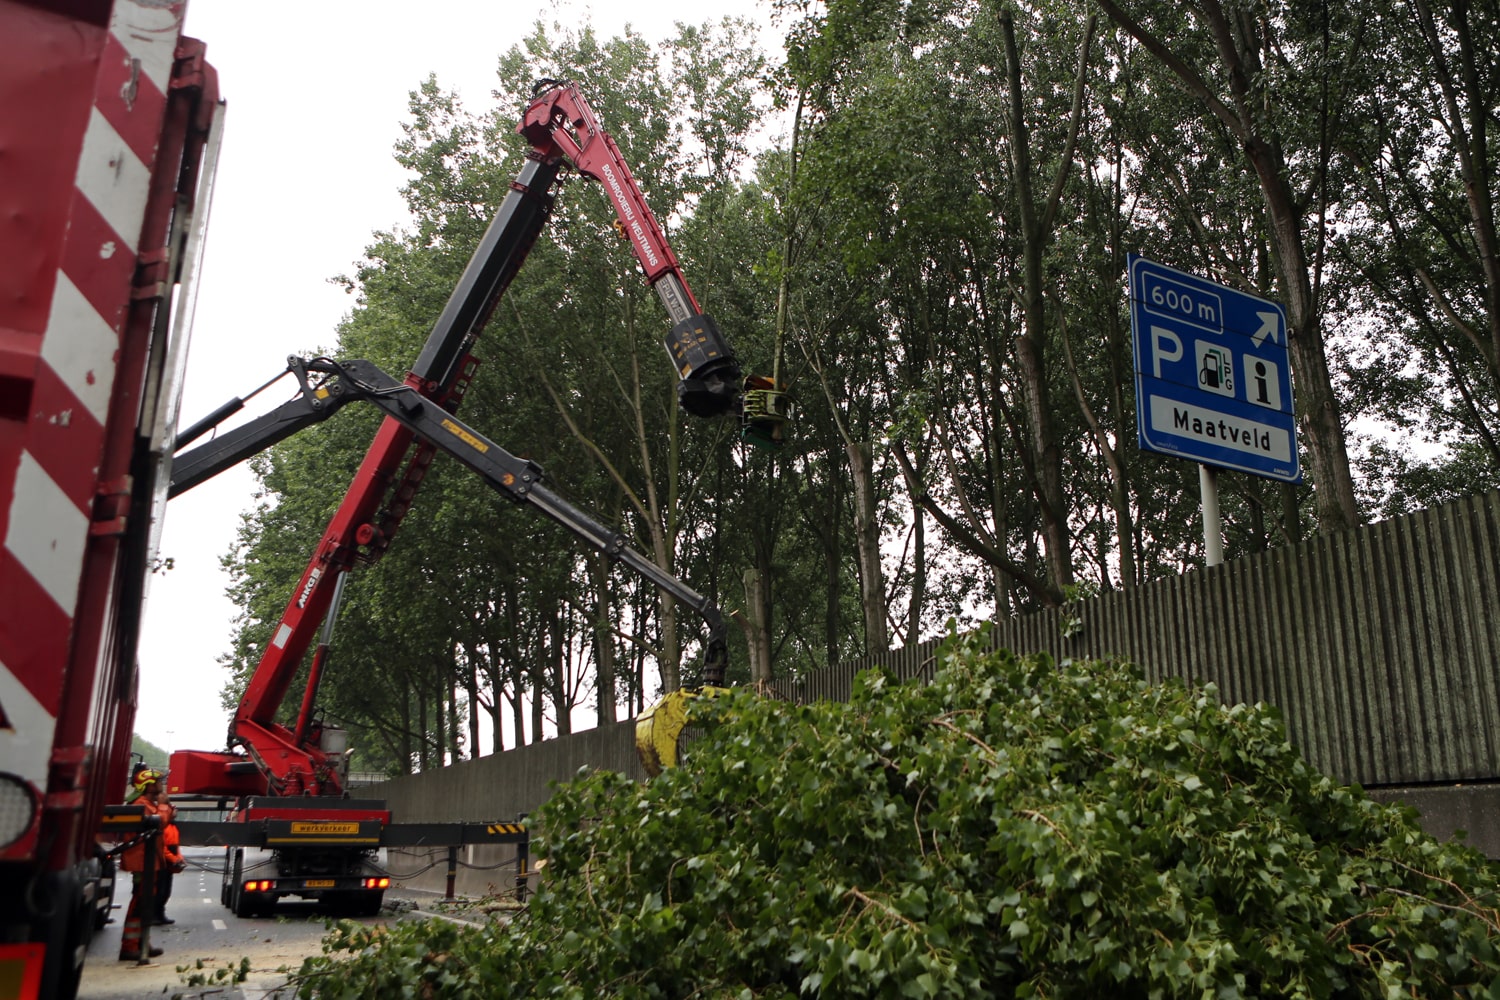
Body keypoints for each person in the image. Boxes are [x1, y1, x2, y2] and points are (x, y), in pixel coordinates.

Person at [118, 768, 169, 961]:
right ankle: (130, 946)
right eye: (158, 781)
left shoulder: (146, 803)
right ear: (148, 784)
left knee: (145, 901)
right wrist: (164, 807)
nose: (161, 784)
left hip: (147, 861)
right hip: (141, 862)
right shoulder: (142, 804)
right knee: (140, 903)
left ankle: (141, 942)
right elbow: (159, 823)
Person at [154, 790, 186, 925]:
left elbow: (175, 845)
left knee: (166, 891)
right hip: (160, 862)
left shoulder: (173, 827)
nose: (175, 811)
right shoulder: (163, 826)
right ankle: (155, 915)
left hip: (168, 863)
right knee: (159, 890)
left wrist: (180, 858)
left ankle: (160, 914)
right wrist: (174, 859)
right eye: (172, 809)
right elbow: (161, 847)